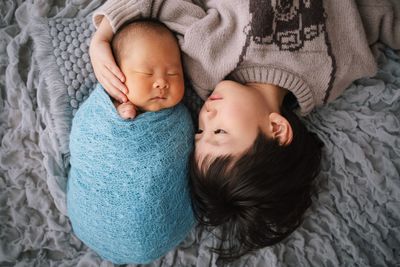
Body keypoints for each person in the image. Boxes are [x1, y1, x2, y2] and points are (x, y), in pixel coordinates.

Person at [89, 0, 400, 259]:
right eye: (219, 132)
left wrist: (102, 38)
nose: (206, 114)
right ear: (277, 129)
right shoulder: (334, 71)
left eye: (200, 132)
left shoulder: (205, 60)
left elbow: (156, 4)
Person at [67, 20, 195, 264]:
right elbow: (86, 138)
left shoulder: (181, 121)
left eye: (173, 73)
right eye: (147, 73)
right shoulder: (101, 112)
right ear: (117, 75)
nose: (161, 82)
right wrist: (115, 115)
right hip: (91, 219)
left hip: (160, 229)